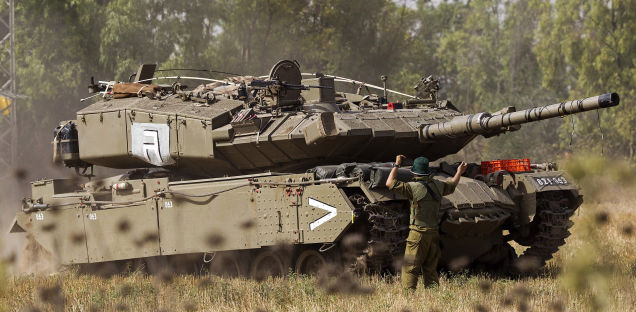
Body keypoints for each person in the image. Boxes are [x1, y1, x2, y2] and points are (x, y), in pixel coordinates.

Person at [385, 155, 467, 290]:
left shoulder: (412, 187)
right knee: (430, 266)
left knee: (410, 267)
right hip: (433, 233)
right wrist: (459, 172)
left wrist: (396, 165)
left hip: (417, 234)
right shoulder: (438, 185)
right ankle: (433, 293)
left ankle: (408, 294)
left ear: (413, 172)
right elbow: (452, 185)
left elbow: (389, 183)